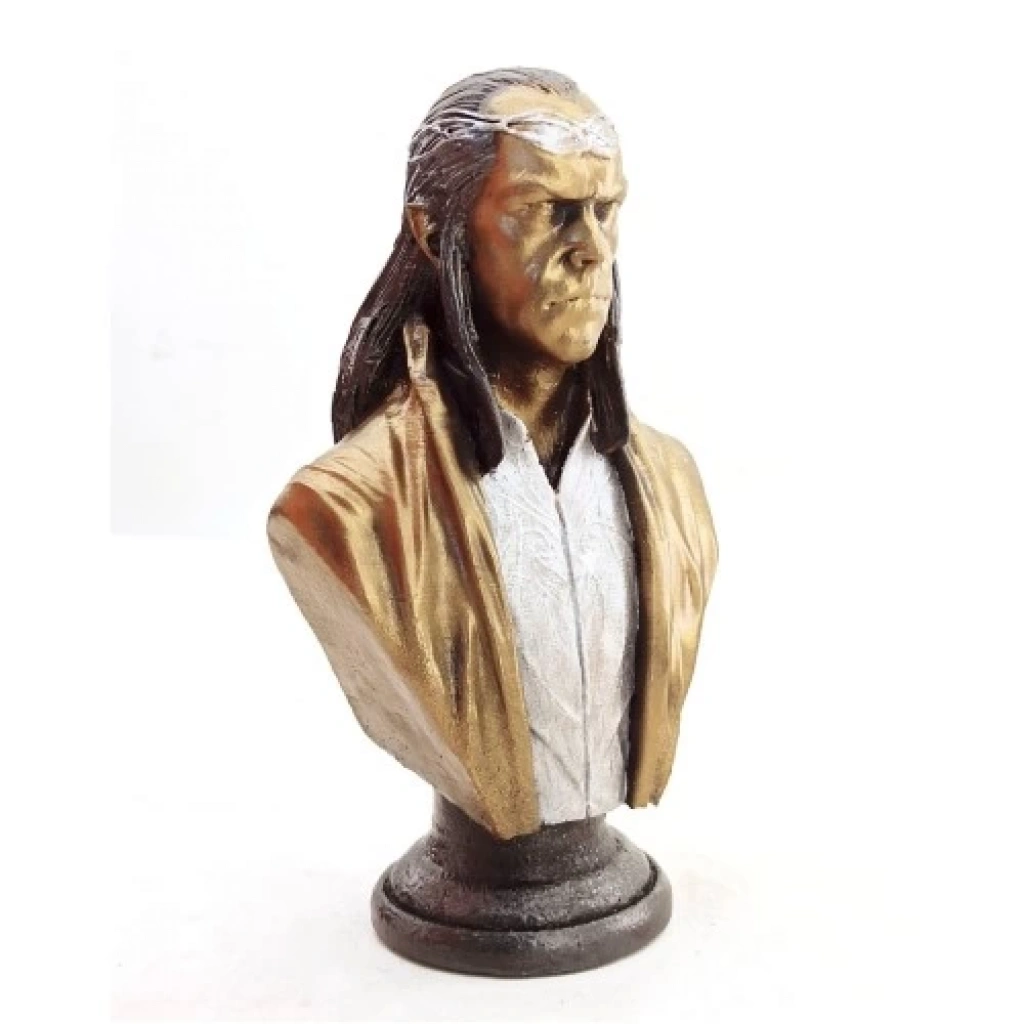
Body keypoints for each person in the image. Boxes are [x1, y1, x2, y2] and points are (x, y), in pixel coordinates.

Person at [268, 68, 717, 841]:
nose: (592, 250)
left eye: (605, 210)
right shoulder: (348, 508)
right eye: (545, 211)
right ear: (434, 232)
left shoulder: (671, 485)